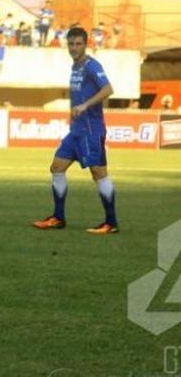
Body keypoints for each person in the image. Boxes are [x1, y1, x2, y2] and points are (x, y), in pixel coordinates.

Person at [33, 27, 119, 235]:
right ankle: (58, 217)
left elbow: (108, 89)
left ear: (85, 44)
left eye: (78, 43)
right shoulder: (75, 67)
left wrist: (85, 105)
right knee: (56, 167)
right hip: (76, 132)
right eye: (71, 44)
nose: (74, 47)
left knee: (99, 174)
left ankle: (111, 222)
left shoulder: (92, 66)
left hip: (91, 130)